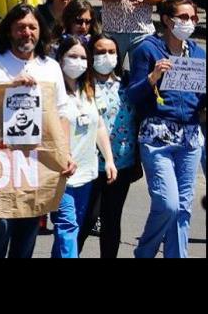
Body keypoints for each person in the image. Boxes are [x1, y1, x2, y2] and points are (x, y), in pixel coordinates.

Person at [0, 4, 76, 258]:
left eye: (32, 27)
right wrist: (9, 87)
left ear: (41, 32)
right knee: (0, 222)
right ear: (9, 31)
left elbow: (62, 113)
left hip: (35, 163)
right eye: (20, 28)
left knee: (28, 228)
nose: (26, 32)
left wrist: (65, 153)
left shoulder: (50, 66)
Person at [128, 0, 206, 258]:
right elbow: (133, 96)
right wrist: (152, 78)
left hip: (190, 138)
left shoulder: (198, 54)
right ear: (167, 20)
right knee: (168, 204)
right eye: (183, 17)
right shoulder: (147, 50)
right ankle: (145, 252)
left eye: (193, 18)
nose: (189, 23)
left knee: (183, 208)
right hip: (157, 137)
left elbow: (201, 98)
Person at [50, 35, 117, 258]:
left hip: (86, 173)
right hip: (61, 174)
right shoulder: (52, 91)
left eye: (82, 57)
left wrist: (108, 159)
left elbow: (98, 125)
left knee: (73, 227)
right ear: (60, 59)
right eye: (72, 56)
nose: (78, 62)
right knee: (67, 226)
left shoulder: (87, 89)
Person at [77, 33, 142, 258]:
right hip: (89, 164)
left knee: (112, 220)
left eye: (111, 52)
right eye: (100, 52)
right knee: (87, 219)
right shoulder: (81, 84)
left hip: (122, 163)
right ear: (90, 55)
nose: (106, 56)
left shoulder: (127, 83)